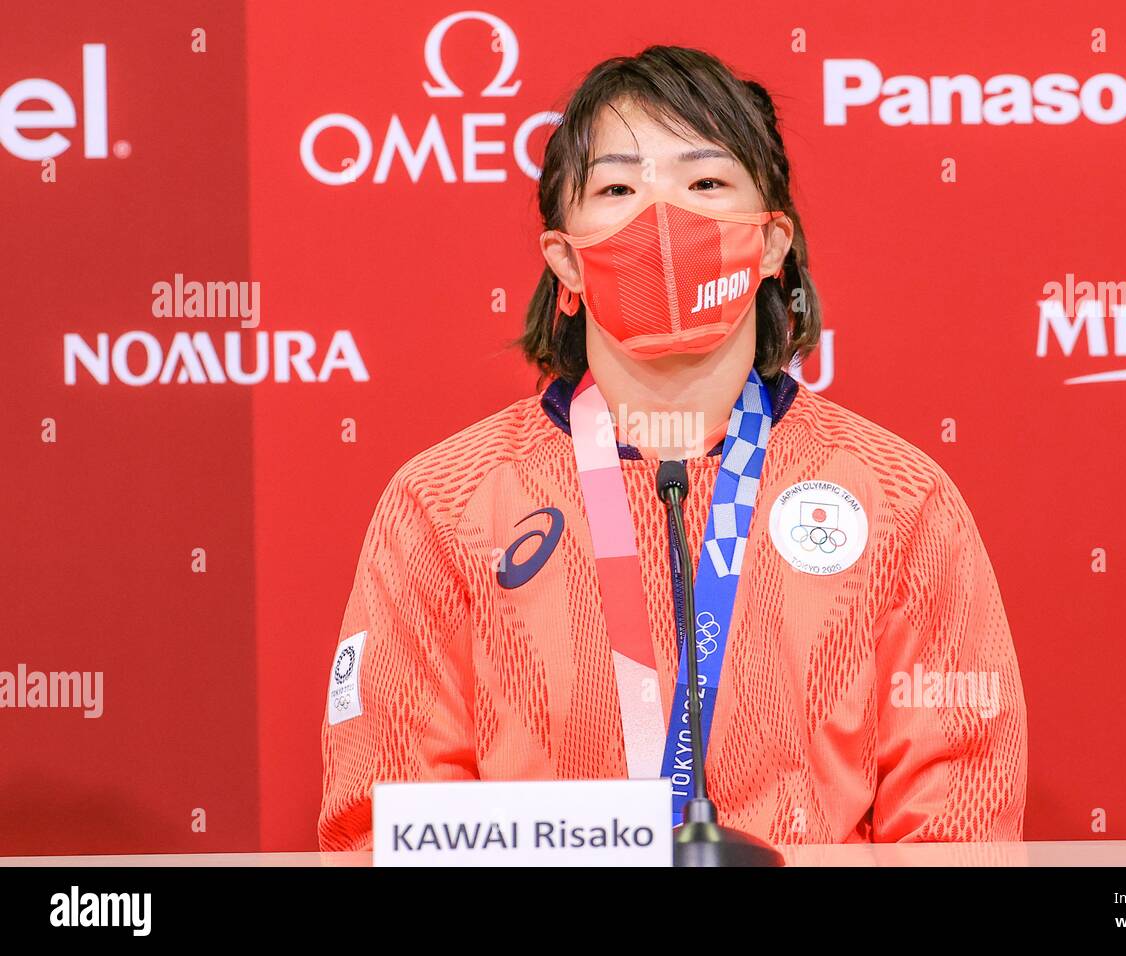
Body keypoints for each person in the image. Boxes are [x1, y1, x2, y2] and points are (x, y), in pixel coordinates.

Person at [318, 45, 1027, 851]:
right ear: (565, 261)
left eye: (706, 183)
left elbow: (960, 823)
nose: (663, 221)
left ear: (770, 246)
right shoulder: (441, 503)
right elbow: (386, 828)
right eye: (618, 188)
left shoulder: (900, 497)